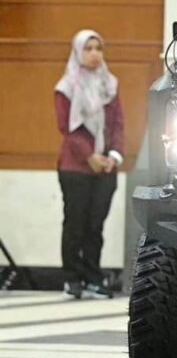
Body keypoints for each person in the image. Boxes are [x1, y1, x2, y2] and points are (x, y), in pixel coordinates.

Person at [54, 30, 124, 299]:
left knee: (96, 226)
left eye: (98, 48)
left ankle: (93, 278)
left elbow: (118, 124)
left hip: (106, 167)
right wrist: (89, 156)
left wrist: (114, 155)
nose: (94, 54)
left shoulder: (111, 85)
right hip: (75, 168)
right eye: (89, 48)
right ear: (78, 52)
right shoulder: (66, 87)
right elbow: (67, 129)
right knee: (75, 224)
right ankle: (72, 279)